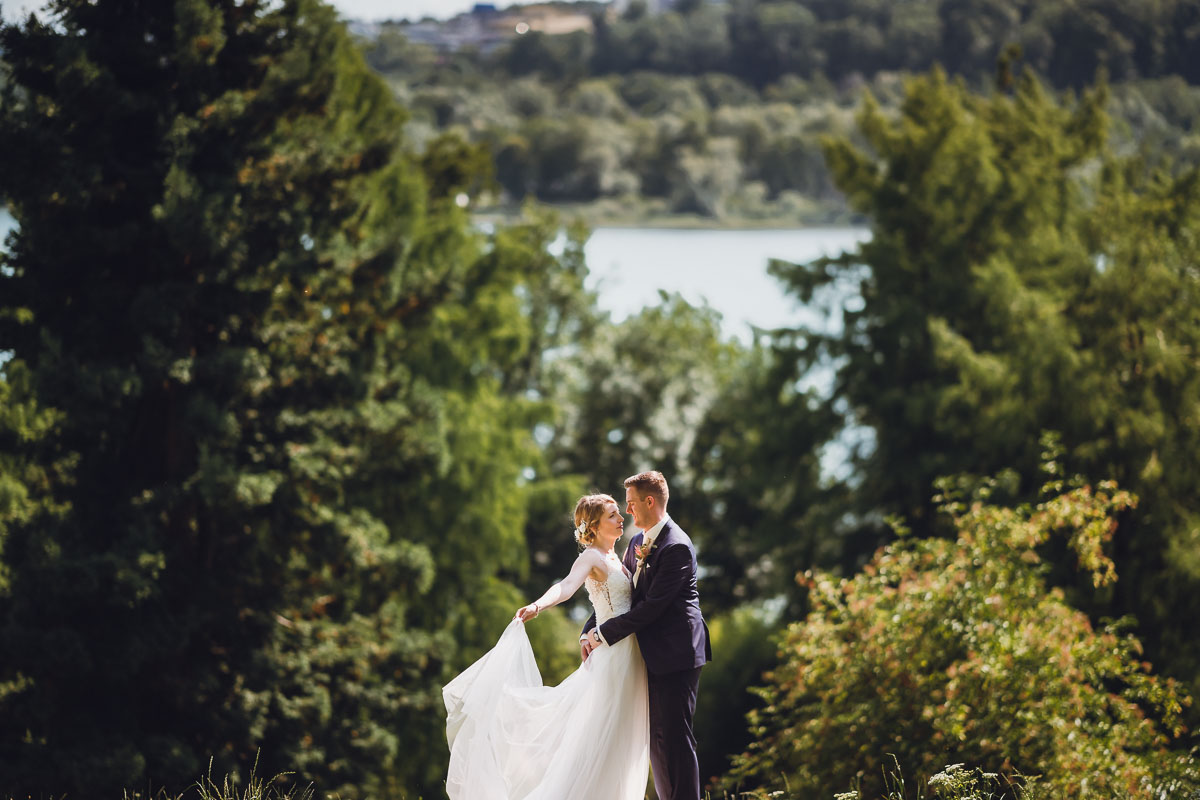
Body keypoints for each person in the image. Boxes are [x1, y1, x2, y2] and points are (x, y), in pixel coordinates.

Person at [442, 493, 650, 800]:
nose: (621, 518)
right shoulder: (591, 557)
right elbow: (565, 586)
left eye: (618, 513)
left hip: (630, 652)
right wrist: (538, 606)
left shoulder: (616, 558)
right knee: (606, 736)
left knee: (625, 737)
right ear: (594, 526)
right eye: (612, 515)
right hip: (613, 657)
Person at [581, 470, 711, 800]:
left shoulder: (676, 546)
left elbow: (651, 607)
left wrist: (602, 635)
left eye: (631, 503)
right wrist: (587, 632)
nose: (627, 511)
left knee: (676, 739)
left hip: (677, 652)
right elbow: (624, 598)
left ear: (649, 502)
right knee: (656, 739)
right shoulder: (638, 542)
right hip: (648, 654)